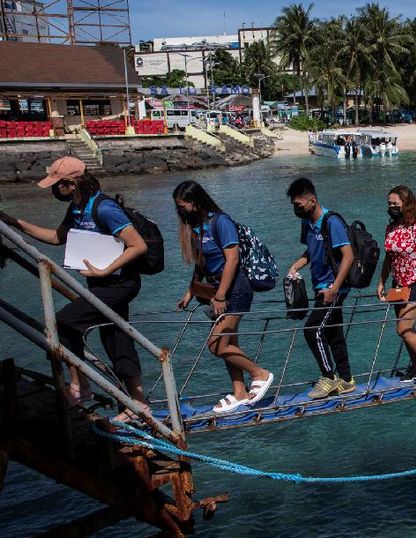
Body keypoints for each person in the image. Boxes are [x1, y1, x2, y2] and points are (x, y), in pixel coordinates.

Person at [0, 157, 150, 418]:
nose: (54, 191)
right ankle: (137, 404)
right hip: (99, 284)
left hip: (119, 283)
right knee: (116, 337)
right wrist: (15, 223)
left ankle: (81, 386)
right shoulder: (77, 207)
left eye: (57, 185)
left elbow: (138, 245)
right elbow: (57, 237)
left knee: (63, 323)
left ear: (71, 183)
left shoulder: (104, 208)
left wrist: (105, 269)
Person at [172, 180, 274, 413]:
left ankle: (260, 373)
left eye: (183, 205)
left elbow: (233, 260)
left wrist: (219, 297)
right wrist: (189, 292)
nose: (180, 211)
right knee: (229, 343)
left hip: (234, 291)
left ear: (196, 202)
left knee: (216, 345)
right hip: (216, 289)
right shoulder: (197, 228)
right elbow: (201, 265)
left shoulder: (221, 221)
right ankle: (239, 392)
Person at [286, 177, 356, 399]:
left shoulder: (331, 222)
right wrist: (296, 265)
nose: (296, 209)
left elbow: (348, 255)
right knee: (333, 333)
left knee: (312, 330)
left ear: (312, 200)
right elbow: (312, 250)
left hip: (332, 288)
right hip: (321, 287)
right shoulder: (307, 223)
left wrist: (335, 288)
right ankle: (346, 380)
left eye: (298, 205)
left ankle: (328, 376)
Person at [377, 185, 416, 383]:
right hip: (398, 283)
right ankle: (415, 366)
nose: (392, 206)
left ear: (406, 204)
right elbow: (388, 258)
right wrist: (382, 281)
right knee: (405, 332)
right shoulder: (391, 228)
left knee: (403, 328)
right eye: (389, 203)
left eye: (396, 203)